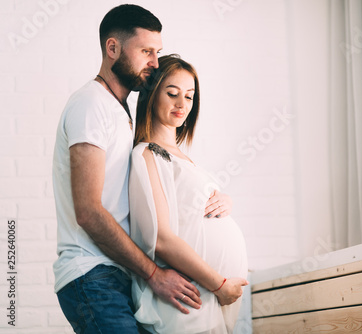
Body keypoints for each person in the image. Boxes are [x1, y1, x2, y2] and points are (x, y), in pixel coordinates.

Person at [52, 5, 203, 333]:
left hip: (114, 273)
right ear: (113, 48)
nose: (155, 62)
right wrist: (154, 274)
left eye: (158, 52)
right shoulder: (91, 105)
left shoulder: (119, 110)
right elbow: (89, 212)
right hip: (92, 274)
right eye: (146, 51)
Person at [129, 54, 249, 333]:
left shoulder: (184, 159)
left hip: (207, 300)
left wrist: (225, 200)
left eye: (189, 96)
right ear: (151, 95)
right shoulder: (147, 154)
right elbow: (161, 239)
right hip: (189, 301)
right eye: (172, 93)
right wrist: (219, 284)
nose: (182, 103)